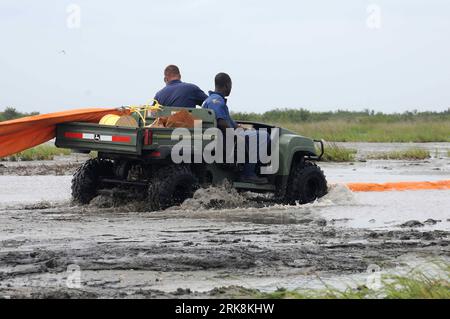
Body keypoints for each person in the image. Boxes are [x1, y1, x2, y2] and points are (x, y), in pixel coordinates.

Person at [203, 73, 268, 184]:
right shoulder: (217, 101)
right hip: (224, 140)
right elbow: (221, 123)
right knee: (263, 135)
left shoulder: (209, 100)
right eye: (231, 86)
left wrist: (240, 128)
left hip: (218, 138)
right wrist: (236, 136)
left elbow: (228, 121)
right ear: (227, 86)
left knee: (253, 134)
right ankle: (248, 174)